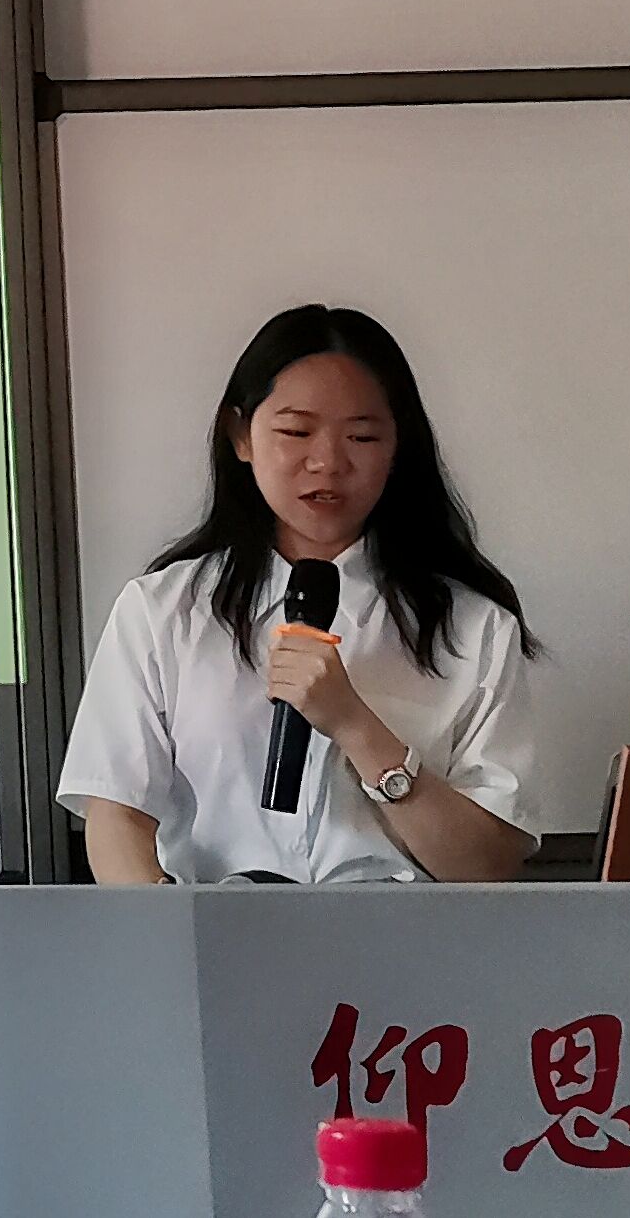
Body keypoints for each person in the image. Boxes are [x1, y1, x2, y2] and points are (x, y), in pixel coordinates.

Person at [58, 304, 544, 884]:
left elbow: (489, 867)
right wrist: (164, 927)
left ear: (397, 449)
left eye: (362, 436)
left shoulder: (473, 628)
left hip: (405, 935)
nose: (328, 462)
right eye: (295, 431)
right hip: (216, 927)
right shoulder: (163, 611)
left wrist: (355, 725)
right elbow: (115, 816)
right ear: (241, 436)